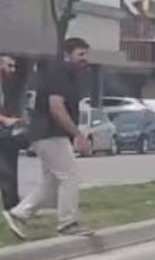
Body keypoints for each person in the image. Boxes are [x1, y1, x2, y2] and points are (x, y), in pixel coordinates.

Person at [3, 38, 93, 239]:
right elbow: (56, 107)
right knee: (70, 176)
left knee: (52, 182)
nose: (84, 59)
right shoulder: (59, 73)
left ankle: (19, 214)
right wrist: (77, 135)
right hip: (49, 134)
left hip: (47, 134)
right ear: (67, 55)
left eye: (86, 54)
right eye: (80, 55)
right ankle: (67, 223)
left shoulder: (68, 75)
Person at [0, 55, 23, 212]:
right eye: (10, 66)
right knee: (6, 170)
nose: (13, 70)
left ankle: (12, 205)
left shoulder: (4, 86)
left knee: (8, 169)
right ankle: (12, 207)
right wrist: (5, 120)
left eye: (14, 66)